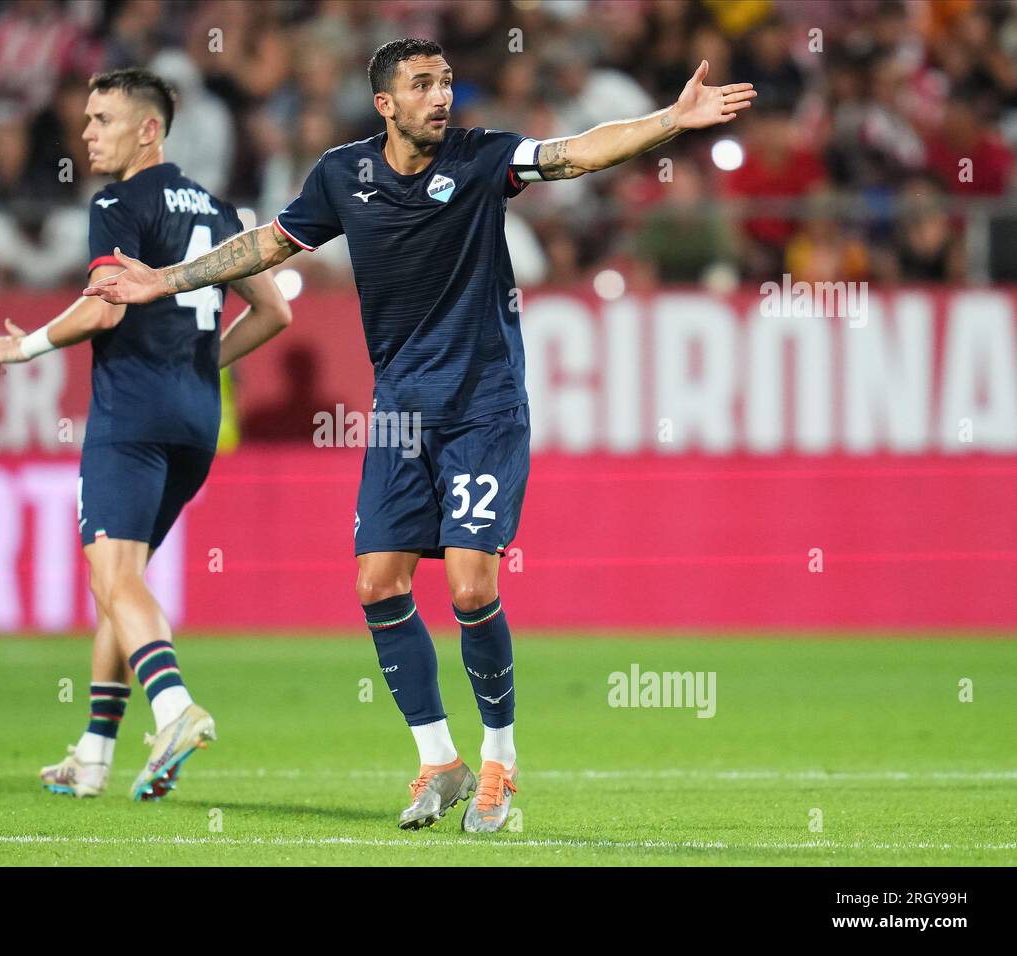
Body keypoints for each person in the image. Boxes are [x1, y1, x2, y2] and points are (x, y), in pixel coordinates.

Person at [82, 39, 753, 831]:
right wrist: (163, 279)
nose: (442, 96)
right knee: (377, 584)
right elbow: (268, 243)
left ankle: (501, 762)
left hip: (482, 405)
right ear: (385, 105)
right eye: (423, 85)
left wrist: (668, 122)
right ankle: (439, 761)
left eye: (445, 82)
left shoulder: (481, 160)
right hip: (400, 412)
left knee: (471, 588)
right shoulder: (343, 175)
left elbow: (575, 154)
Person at [0, 68, 291, 800]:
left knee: (114, 578)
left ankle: (176, 709)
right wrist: (204, 361)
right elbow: (276, 312)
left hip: (131, 418)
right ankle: (92, 755)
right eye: (85, 118)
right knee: (118, 586)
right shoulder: (219, 209)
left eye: (102, 119)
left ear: (148, 129)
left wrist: (21, 348)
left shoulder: (118, 201)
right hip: (196, 419)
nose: (86, 132)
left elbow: (104, 311)